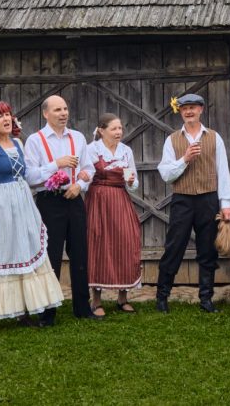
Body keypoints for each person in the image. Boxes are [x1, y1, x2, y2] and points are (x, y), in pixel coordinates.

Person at [0, 101, 64, 333]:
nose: (6, 119)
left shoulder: (18, 143)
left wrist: (55, 169)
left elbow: (29, 175)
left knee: (23, 250)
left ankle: (22, 311)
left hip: (22, 204)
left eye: (9, 114)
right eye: (0, 116)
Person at [155, 93, 230, 313]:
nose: (188, 111)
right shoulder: (172, 139)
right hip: (182, 199)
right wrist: (185, 159)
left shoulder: (214, 137)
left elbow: (223, 172)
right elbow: (165, 174)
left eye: (193, 107)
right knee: (174, 247)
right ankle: (162, 297)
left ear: (201, 110)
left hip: (208, 199)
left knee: (207, 249)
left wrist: (226, 203)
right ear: (180, 112)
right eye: (184, 108)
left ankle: (206, 299)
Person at [24, 95, 99, 324]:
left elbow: (89, 168)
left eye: (65, 108)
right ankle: (48, 312)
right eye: (57, 109)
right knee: (51, 256)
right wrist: (56, 164)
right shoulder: (35, 140)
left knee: (79, 253)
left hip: (74, 199)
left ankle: (82, 307)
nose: (63, 113)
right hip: (49, 201)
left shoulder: (77, 137)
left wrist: (81, 185)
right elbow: (29, 176)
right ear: (46, 114)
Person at [86, 113, 142, 315]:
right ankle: (97, 300)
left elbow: (133, 183)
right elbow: (85, 177)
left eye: (120, 128)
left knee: (126, 243)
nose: (119, 132)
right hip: (99, 200)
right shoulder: (91, 150)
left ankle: (122, 297)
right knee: (99, 244)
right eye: (114, 129)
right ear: (101, 130)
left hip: (120, 199)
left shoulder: (126, 151)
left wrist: (130, 181)